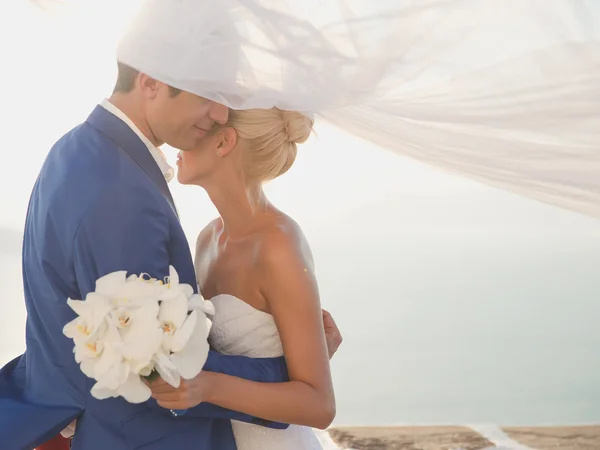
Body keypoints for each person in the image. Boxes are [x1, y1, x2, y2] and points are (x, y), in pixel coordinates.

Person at [1, 40, 343, 450]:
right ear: (150, 83)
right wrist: (290, 367)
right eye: (206, 102)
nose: (210, 117)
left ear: (224, 144)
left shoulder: (76, 152)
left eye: (217, 114)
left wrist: (303, 368)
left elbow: (313, 399)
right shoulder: (137, 200)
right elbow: (151, 359)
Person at [148, 108, 336, 449]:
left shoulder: (279, 245)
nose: (177, 140)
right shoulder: (208, 239)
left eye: (197, 127)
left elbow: (319, 405)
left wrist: (207, 387)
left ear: (224, 141)